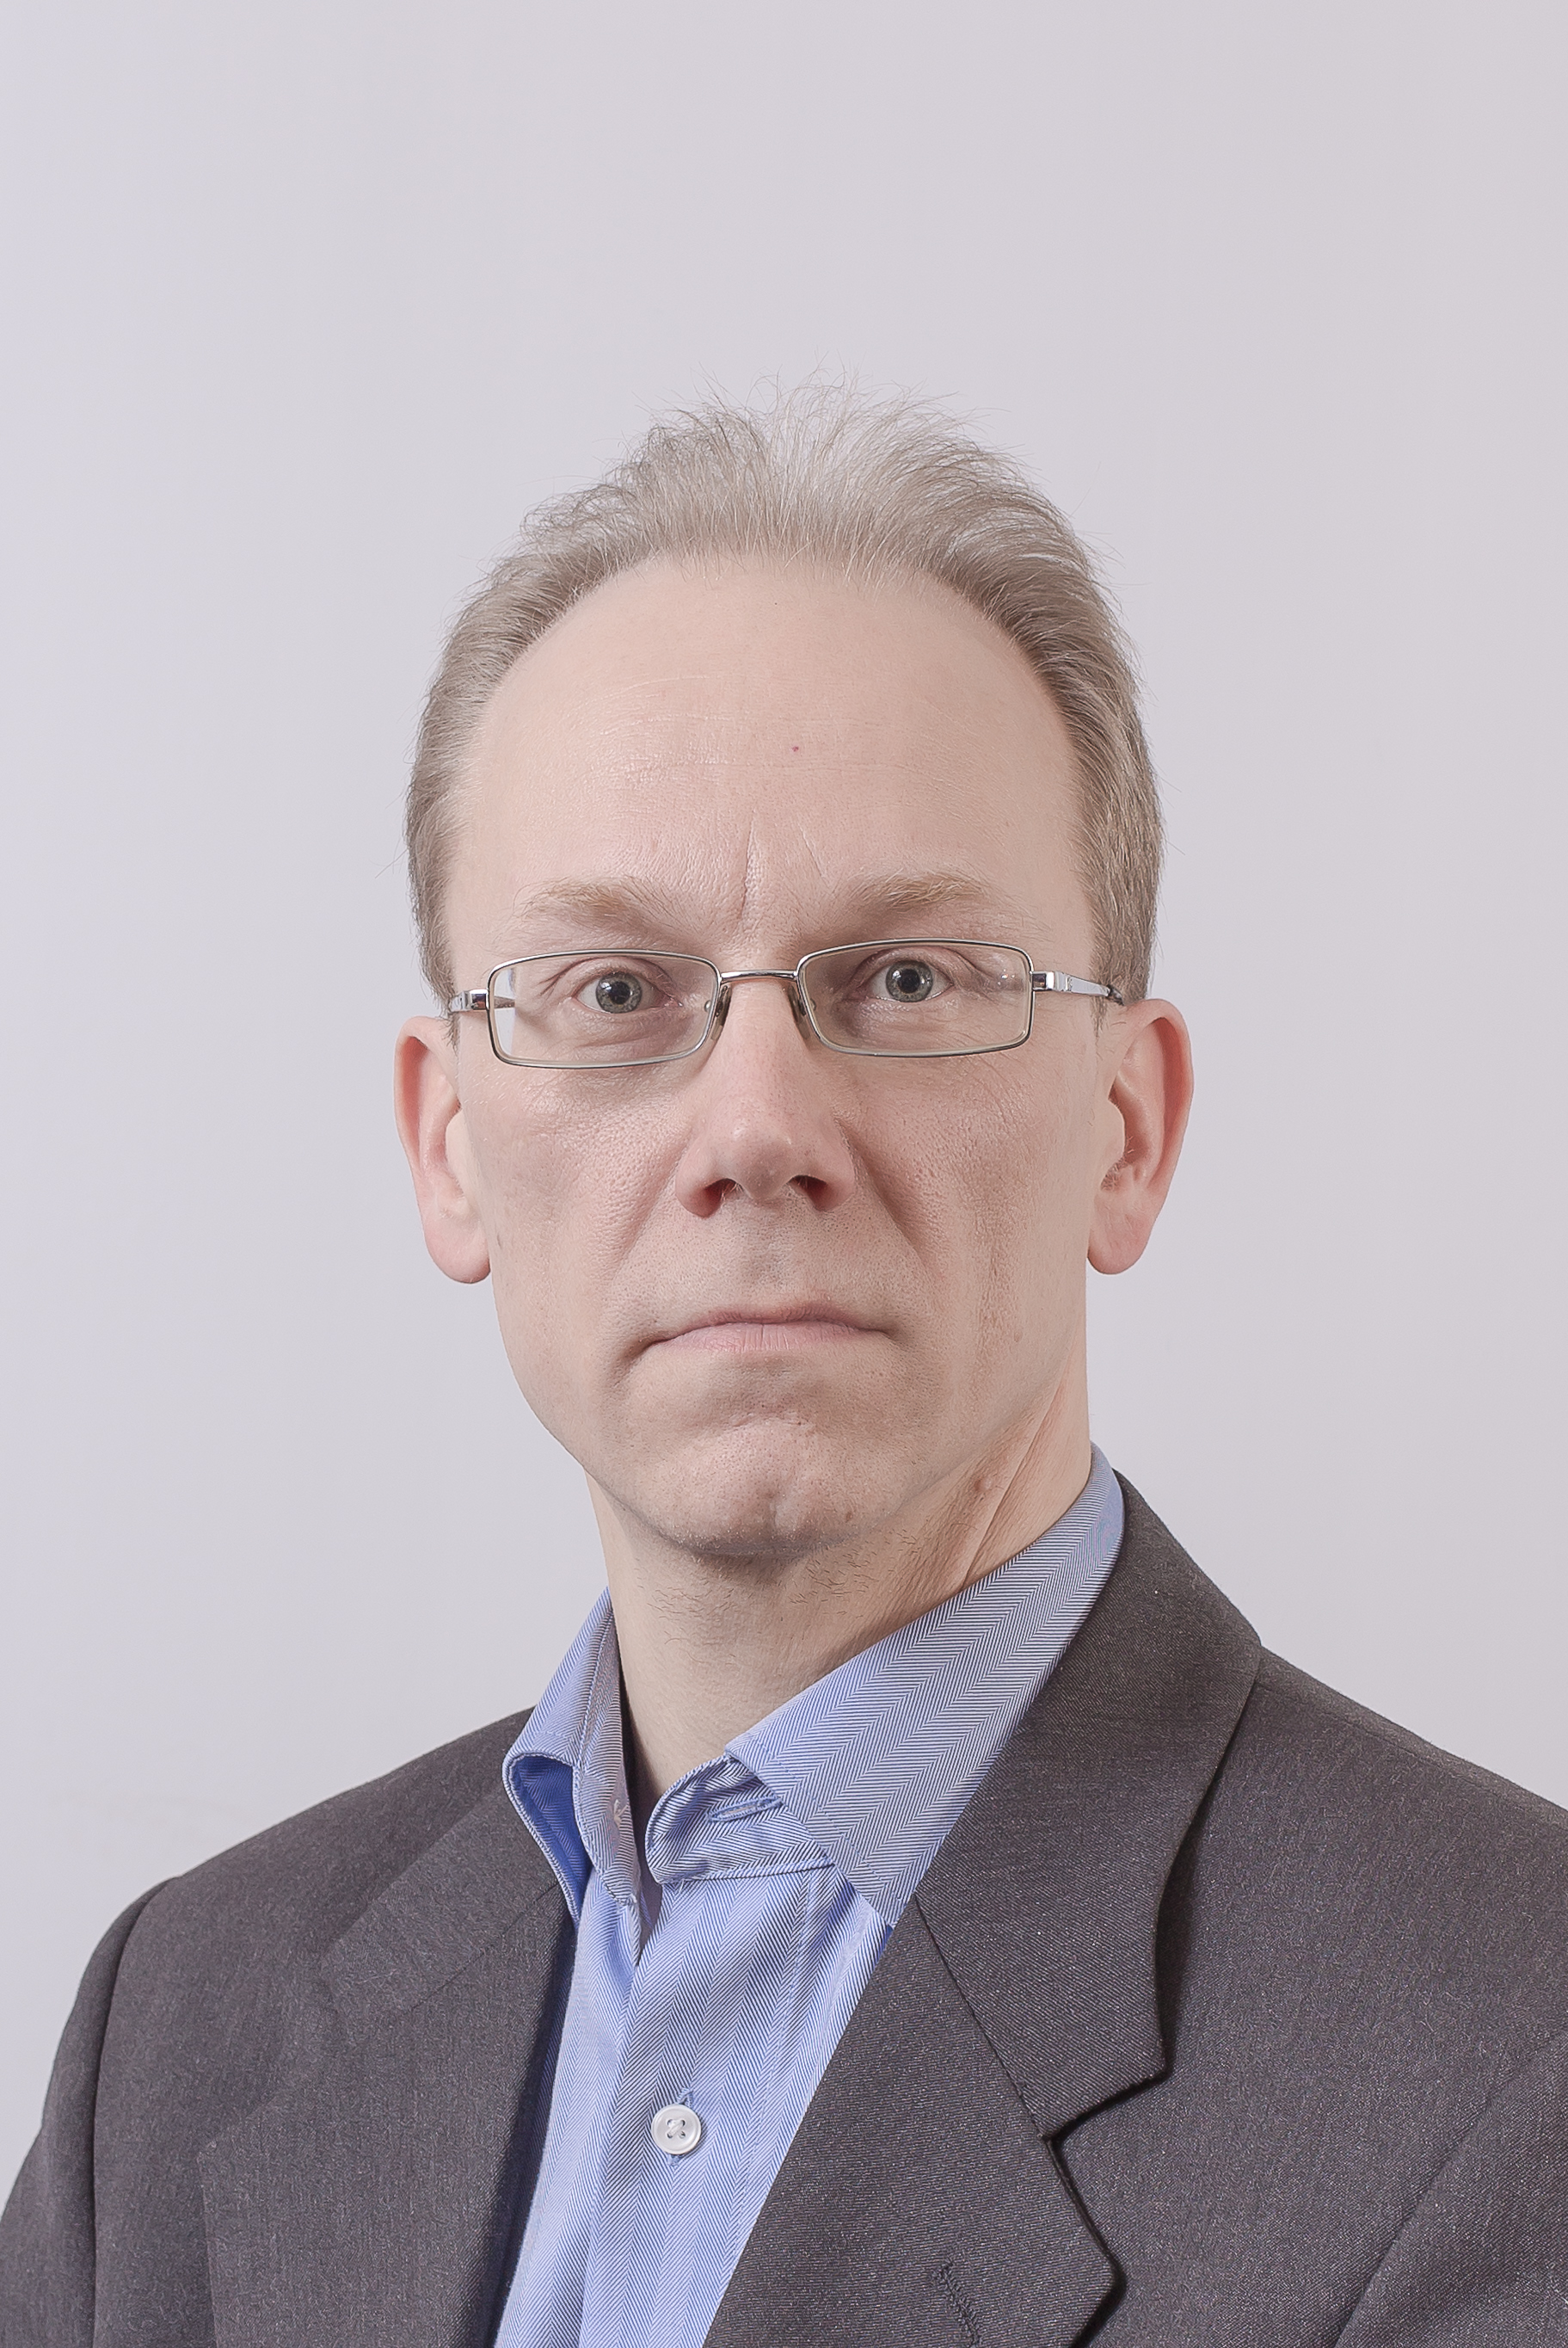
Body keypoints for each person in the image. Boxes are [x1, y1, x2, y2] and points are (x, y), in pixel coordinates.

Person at [3, 388, 1566, 2348]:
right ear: (447, 1143)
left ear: (1128, 1126)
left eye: (907, 980)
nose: (755, 1126)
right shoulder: (180, 2036)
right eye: (614, 991)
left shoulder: (1522, 2054)